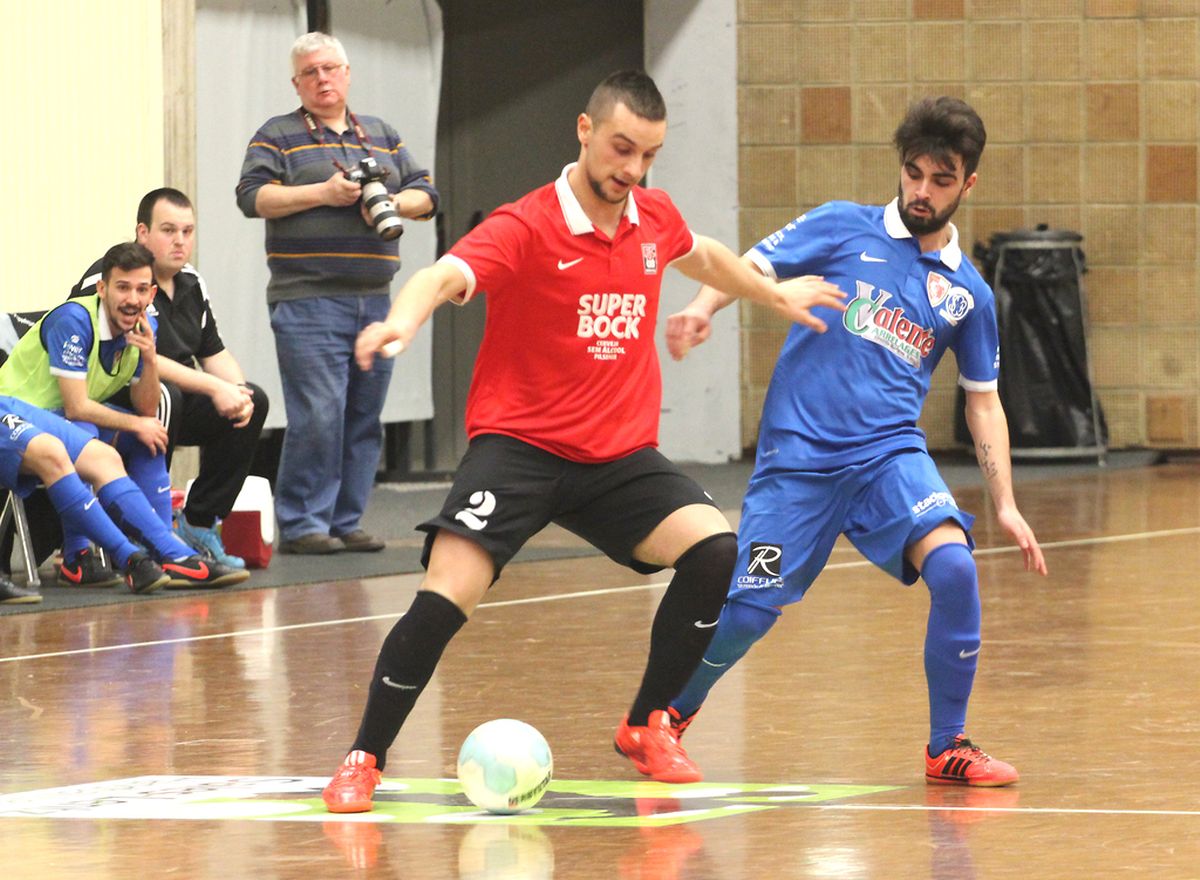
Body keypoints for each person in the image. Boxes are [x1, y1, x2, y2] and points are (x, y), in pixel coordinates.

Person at [319, 70, 846, 813]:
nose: (631, 170)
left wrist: (775, 293)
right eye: (622, 149)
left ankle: (646, 724)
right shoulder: (526, 225)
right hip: (519, 449)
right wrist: (402, 322)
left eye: (648, 156)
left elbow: (706, 255)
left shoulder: (651, 216)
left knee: (714, 549)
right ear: (584, 130)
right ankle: (363, 758)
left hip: (618, 458)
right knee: (445, 596)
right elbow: (442, 276)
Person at [663, 96, 1048, 787]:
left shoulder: (968, 295)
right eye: (913, 174)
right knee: (750, 613)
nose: (922, 192)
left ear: (969, 184)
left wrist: (1007, 503)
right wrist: (698, 308)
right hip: (798, 460)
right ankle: (668, 716)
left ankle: (947, 746)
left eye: (941, 179)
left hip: (889, 459)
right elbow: (745, 267)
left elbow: (983, 404)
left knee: (956, 570)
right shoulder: (842, 226)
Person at [235, 31, 439, 556]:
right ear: (296, 83)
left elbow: (428, 193)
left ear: (347, 74)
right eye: (311, 72)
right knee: (319, 413)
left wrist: (391, 199)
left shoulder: (381, 134)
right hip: (307, 298)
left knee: (363, 416)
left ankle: (346, 520)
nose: (322, 79)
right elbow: (252, 197)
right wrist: (324, 194)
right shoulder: (276, 134)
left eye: (330, 68)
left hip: (376, 298)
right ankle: (304, 524)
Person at [0, 242, 248, 589]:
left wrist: (148, 359)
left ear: (152, 293)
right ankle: (78, 556)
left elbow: (146, 409)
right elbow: (77, 407)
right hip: (19, 415)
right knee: (92, 424)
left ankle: (167, 553)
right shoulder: (74, 319)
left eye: (141, 289)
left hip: (63, 421)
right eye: (122, 287)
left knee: (148, 437)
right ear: (102, 288)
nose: (132, 298)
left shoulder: (144, 326)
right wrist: (137, 422)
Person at [71, 188, 269, 568]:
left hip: (172, 392)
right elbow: (145, 358)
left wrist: (236, 392)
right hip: (111, 396)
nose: (180, 241)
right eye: (168, 230)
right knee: (166, 395)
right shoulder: (119, 278)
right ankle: (146, 530)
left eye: (187, 231)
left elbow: (214, 353)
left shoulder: (192, 282)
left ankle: (197, 523)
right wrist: (216, 387)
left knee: (253, 400)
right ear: (142, 233)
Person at [1, 394, 190, 599]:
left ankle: (175, 555)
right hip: (41, 402)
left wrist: (150, 361)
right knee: (51, 452)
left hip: (9, 402)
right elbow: (76, 406)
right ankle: (130, 558)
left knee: (104, 458)